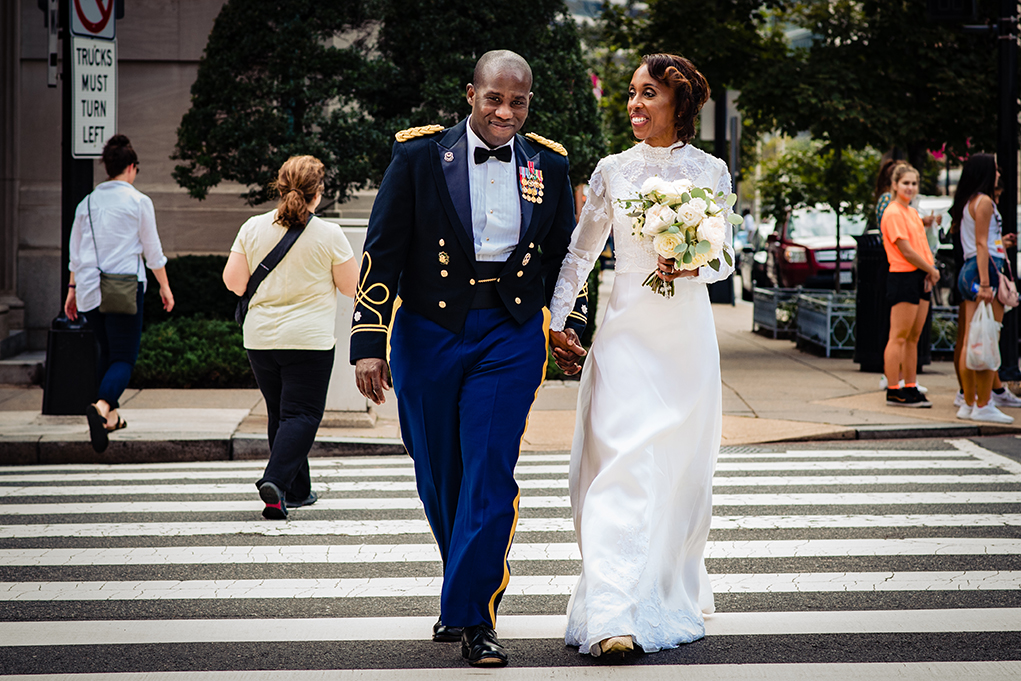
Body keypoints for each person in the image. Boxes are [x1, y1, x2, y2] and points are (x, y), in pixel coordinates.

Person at [350, 50, 587, 668]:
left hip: (508, 335)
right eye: (494, 99)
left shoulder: (550, 164)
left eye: (519, 102)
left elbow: (571, 257)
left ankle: (476, 617)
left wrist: (571, 326)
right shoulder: (419, 156)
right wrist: (368, 342)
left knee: (488, 471)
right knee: (439, 476)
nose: (506, 112)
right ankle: (463, 591)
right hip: (427, 332)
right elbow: (383, 250)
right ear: (470, 95)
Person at [546, 53, 732, 658]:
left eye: (647, 93)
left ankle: (657, 589)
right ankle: (610, 613)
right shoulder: (612, 171)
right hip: (625, 337)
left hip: (686, 345)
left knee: (676, 476)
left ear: (678, 103)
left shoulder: (712, 171)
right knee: (621, 468)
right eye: (631, 92)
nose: (634, 103)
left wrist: (695, 257)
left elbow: (725, 262)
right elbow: (579, 255)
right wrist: (554, 317)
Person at [223, 156, 358, 519]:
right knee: (302, 414)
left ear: (280, 186)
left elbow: (234, 283)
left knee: (280, 413)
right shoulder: (329, 234)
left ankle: (297, 491)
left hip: (260, 339)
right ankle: (277, 481)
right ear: (318, 193)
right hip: (309, 340)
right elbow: (351, 288)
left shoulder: (251, 227)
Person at [64, 134, 174, 454]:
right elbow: (153, 252)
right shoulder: (138, 201)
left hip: (88, 289)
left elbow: (76, 252)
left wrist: (71, 290)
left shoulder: (86, 203)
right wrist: (164, 286)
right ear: (130, 167)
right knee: (124, 357)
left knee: (108, 353)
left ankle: (110, 418)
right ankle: (100, 408)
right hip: (124, 288)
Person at [950, 154, 1015, 423]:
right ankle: (984, 403)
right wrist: (987, 283)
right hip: (984, 269)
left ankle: (968, 402)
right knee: (989, 336)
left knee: (970, 339)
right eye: (996, 169)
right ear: (987, 172)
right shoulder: (985, 201)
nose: (1000, 173)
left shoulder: (969, 202)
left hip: (970, 269)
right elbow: (981, 244)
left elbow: (980, 241)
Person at [880, 164, 938, 408]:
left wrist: (929, 271)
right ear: (894, 185)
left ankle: (910, 385)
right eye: (905, 183)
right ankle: (893, 389)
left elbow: (922, 246)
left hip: (921, 277)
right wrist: (931, 269)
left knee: (914, 337)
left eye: (914, 183)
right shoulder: (893, 212)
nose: (910, 188)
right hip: (904, 276)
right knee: (899, 336)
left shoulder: (912, 213)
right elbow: (906, 250)